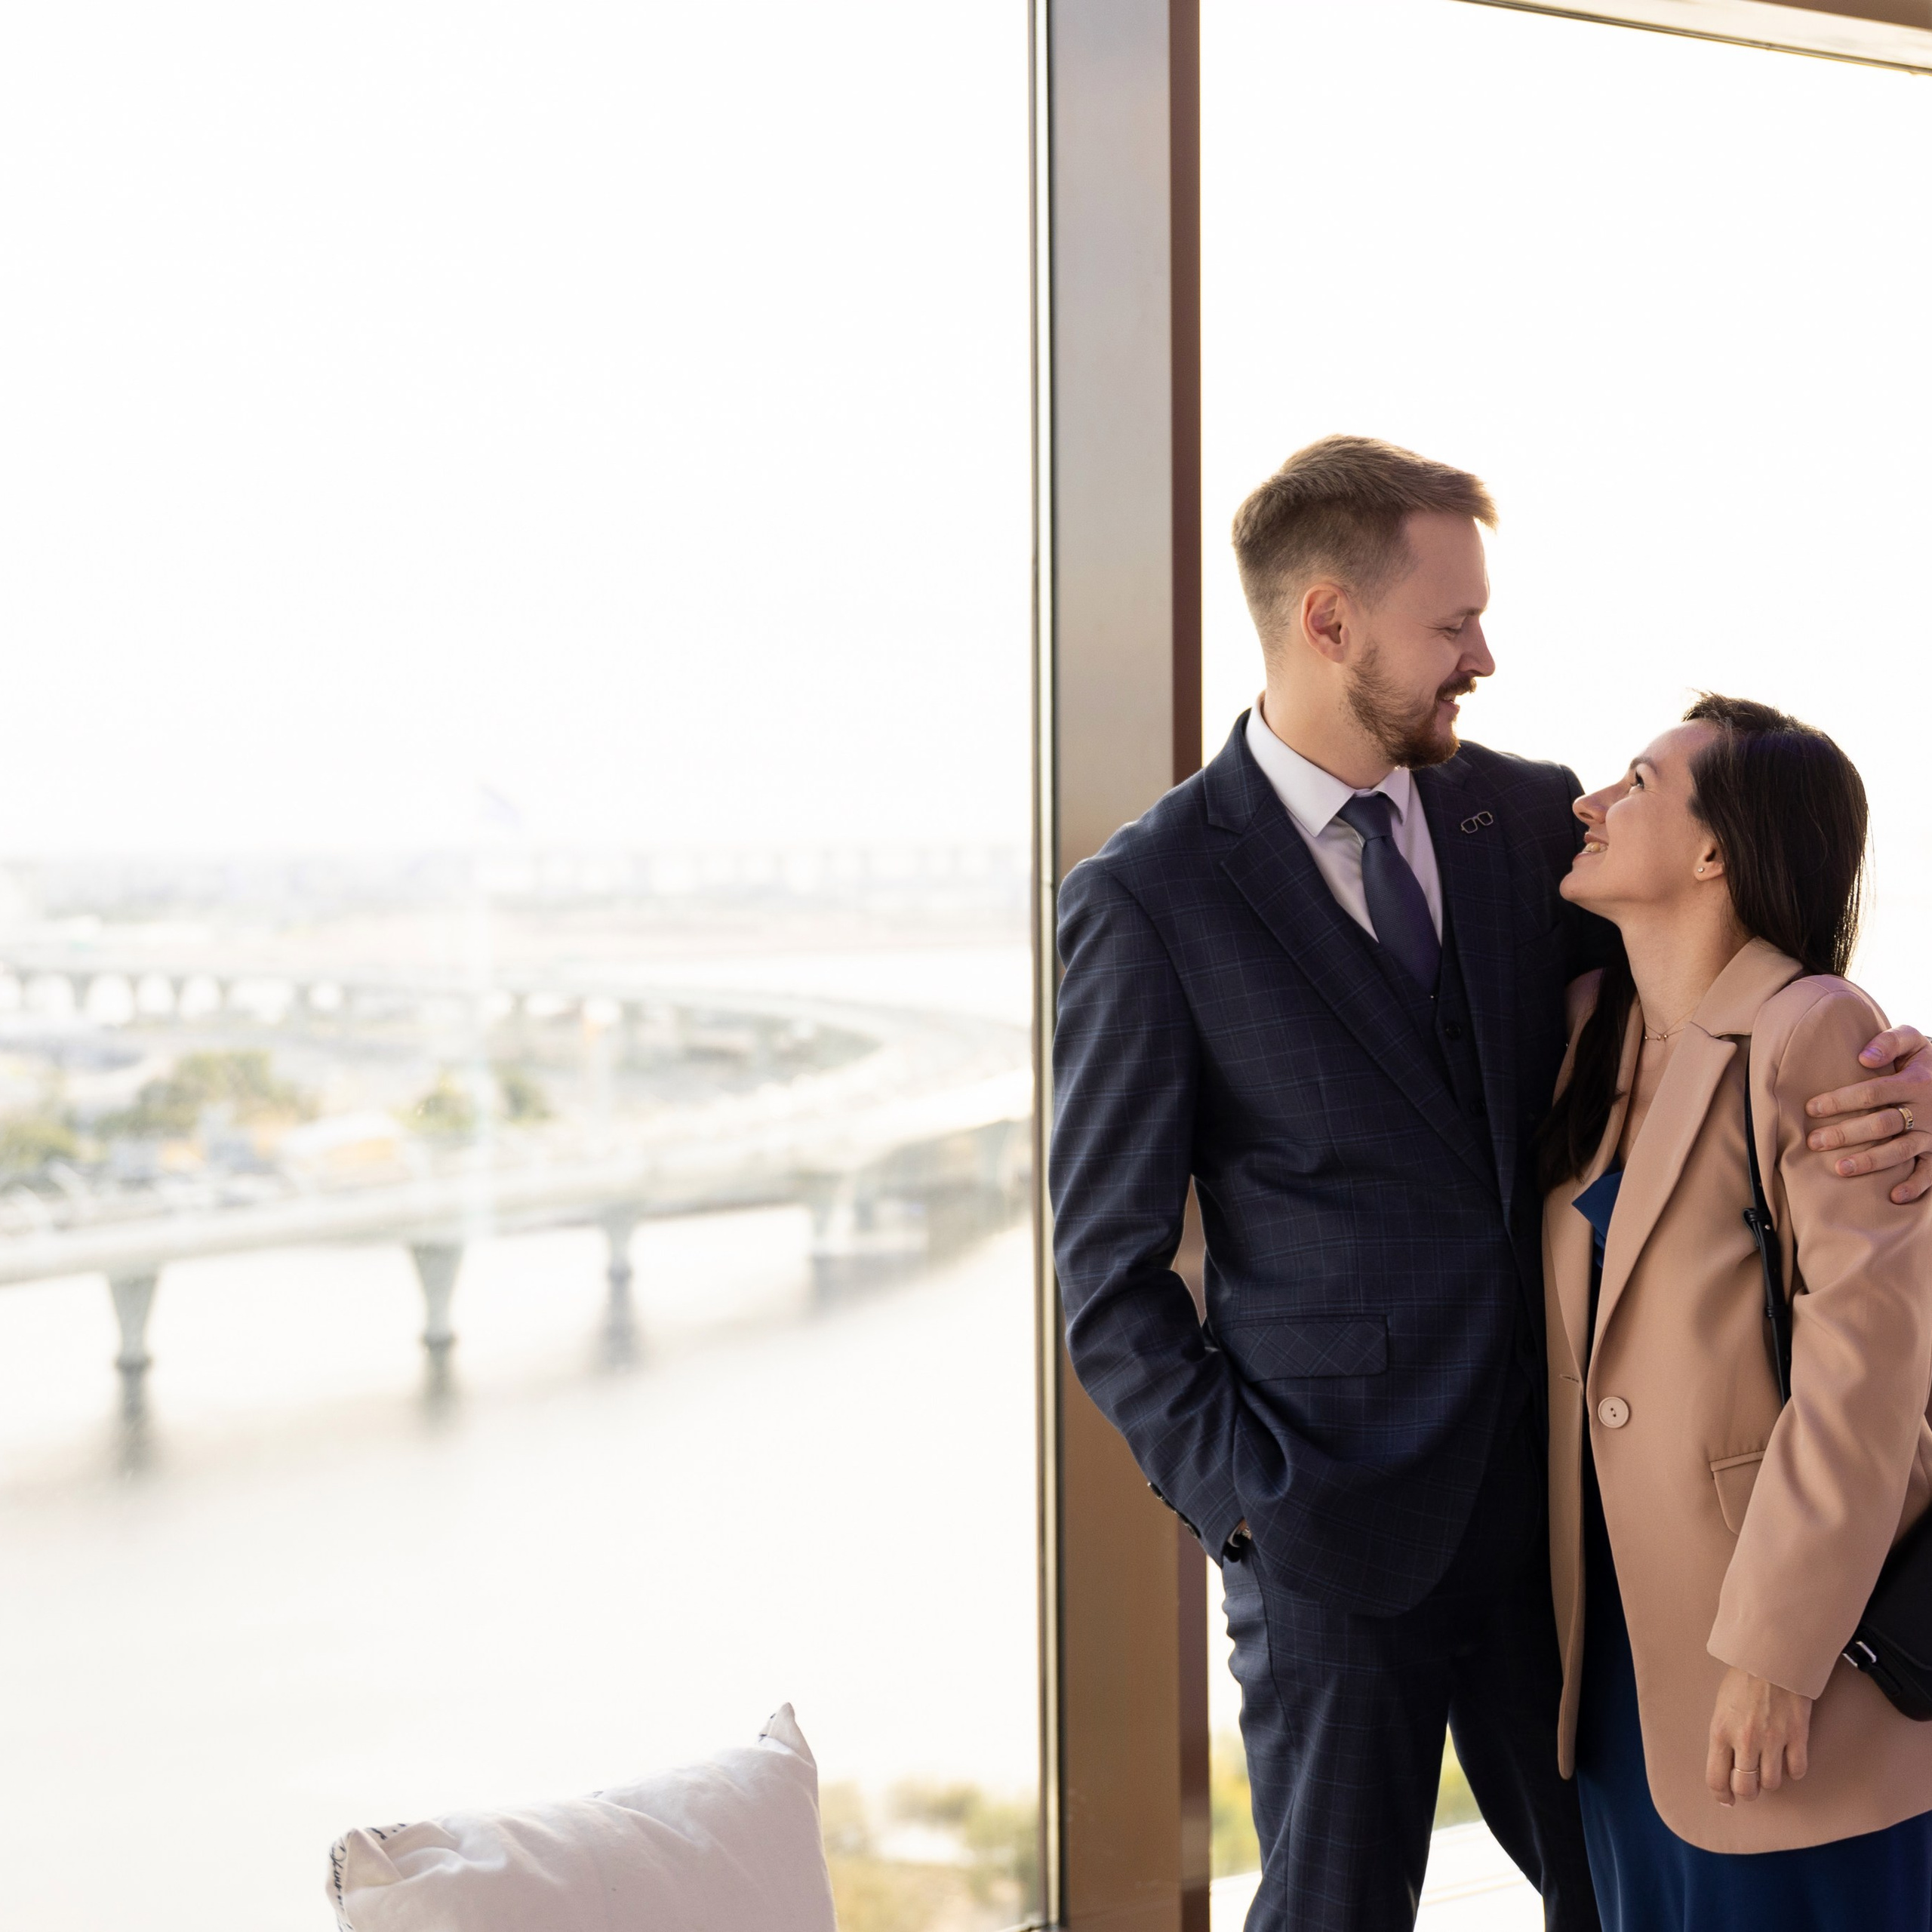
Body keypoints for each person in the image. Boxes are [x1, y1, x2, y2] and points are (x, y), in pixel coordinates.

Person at [1048, 435, 1932, 1932]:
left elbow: (1724, 1006)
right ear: (1326, 620)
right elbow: (1108, 1279)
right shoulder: (1149, 900)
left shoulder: (1523, 826)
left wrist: (1900, 1080)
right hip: (1329, 1554)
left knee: (1623, 1898)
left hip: (1564, 1545)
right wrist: (1256, 1510)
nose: (1484, 656)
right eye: (1449, 623)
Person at [1540, 697, 1932, 1930]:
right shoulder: (1586, 1038)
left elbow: (1865, 1377)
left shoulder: (1812, 1030)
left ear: (1717, 853)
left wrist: (1776, 1654)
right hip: (1617, 1664)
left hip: (1786, 1667)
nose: (1591, 802)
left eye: (1639, 782)